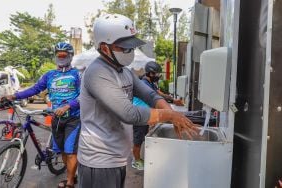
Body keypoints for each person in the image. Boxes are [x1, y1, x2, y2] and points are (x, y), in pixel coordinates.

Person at [77, 13, 199, 188]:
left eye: (132, 47)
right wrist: (170, 116)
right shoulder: (97, 73)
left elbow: (150, 95)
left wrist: (170, 113)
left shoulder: (125, 72)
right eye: (125, 48)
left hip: (117, 157)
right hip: (99, 161)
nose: (131, 52)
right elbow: (129, 114)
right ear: (105, 48)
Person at [6, 42, 81, 188]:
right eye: (58, 54)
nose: (61, 57)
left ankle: (70, 181)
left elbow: (84, 95)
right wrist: (14, 96)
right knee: (62, 152)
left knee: (70, 151)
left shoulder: (77, 74)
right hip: (56, 118)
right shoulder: (49, 75)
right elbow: (35, 89)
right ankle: (71, 174)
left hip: (74, 118)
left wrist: (68, 106)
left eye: (64, 55)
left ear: (70, 56)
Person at [131, 61, 183, 170]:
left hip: (146, 115)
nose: (158, 76)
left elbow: (158, 93)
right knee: (138, 140)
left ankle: (140, 158)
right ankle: (135, 161)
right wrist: (169, 111)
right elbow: (154, 97)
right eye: (156, 74)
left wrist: (172, 99)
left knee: (143, 137)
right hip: (140, 116)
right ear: (150, 73)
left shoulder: (149, 83)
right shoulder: (144, 84)